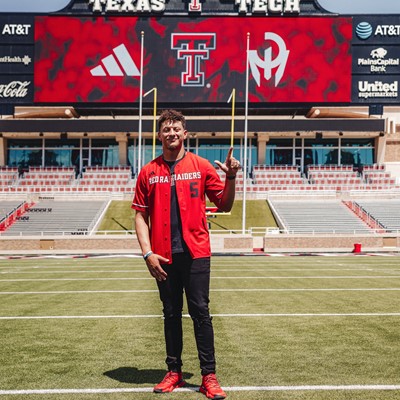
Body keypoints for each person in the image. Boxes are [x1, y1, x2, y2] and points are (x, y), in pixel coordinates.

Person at [132, 109, 240, 400]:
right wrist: (147, 253)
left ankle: (209, 376)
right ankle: (174, 371)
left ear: (185, 133)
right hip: (163, 256)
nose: (172, 133)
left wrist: (230, 178)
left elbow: (226, 206)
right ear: (159, 135)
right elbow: (140, 216)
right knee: (170, 314)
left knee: (201, 313)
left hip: (196, 253)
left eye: (176, 129)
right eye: (166, 129)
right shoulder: (148, 172)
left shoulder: (201, 166)